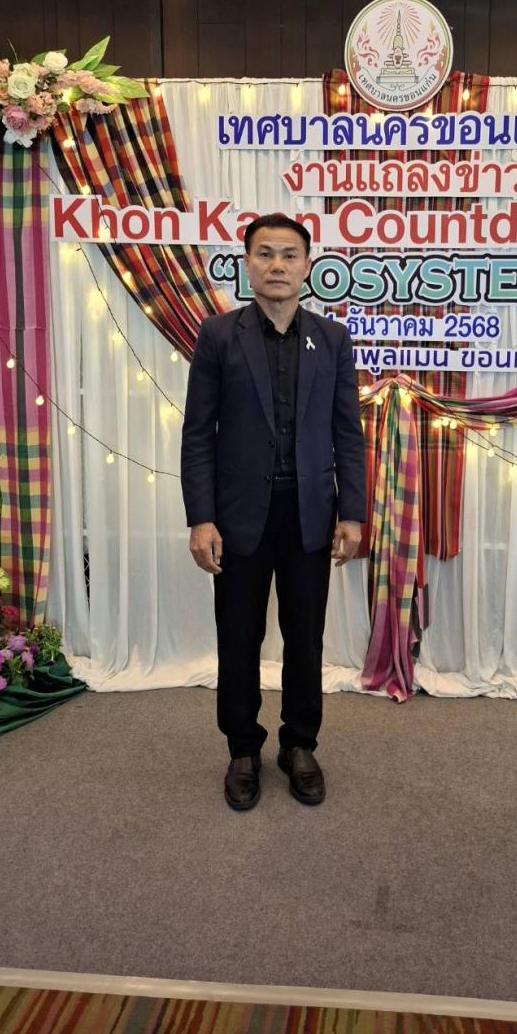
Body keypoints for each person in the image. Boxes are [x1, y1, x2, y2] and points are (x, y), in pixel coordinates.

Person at [180, 214, 367, 811]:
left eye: (289, 254)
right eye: (265, 254)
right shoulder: (218, 336)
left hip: (310, 514)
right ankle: (242, 748)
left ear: (308, 266)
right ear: (247, 264)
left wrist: (352, 513)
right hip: (238, 516)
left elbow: (347, 433)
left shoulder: (332, 340)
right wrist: (201, 518)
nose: (277, 265)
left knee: (305, 638)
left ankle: (299, 745)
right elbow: (198, 434)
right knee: (238, 636)